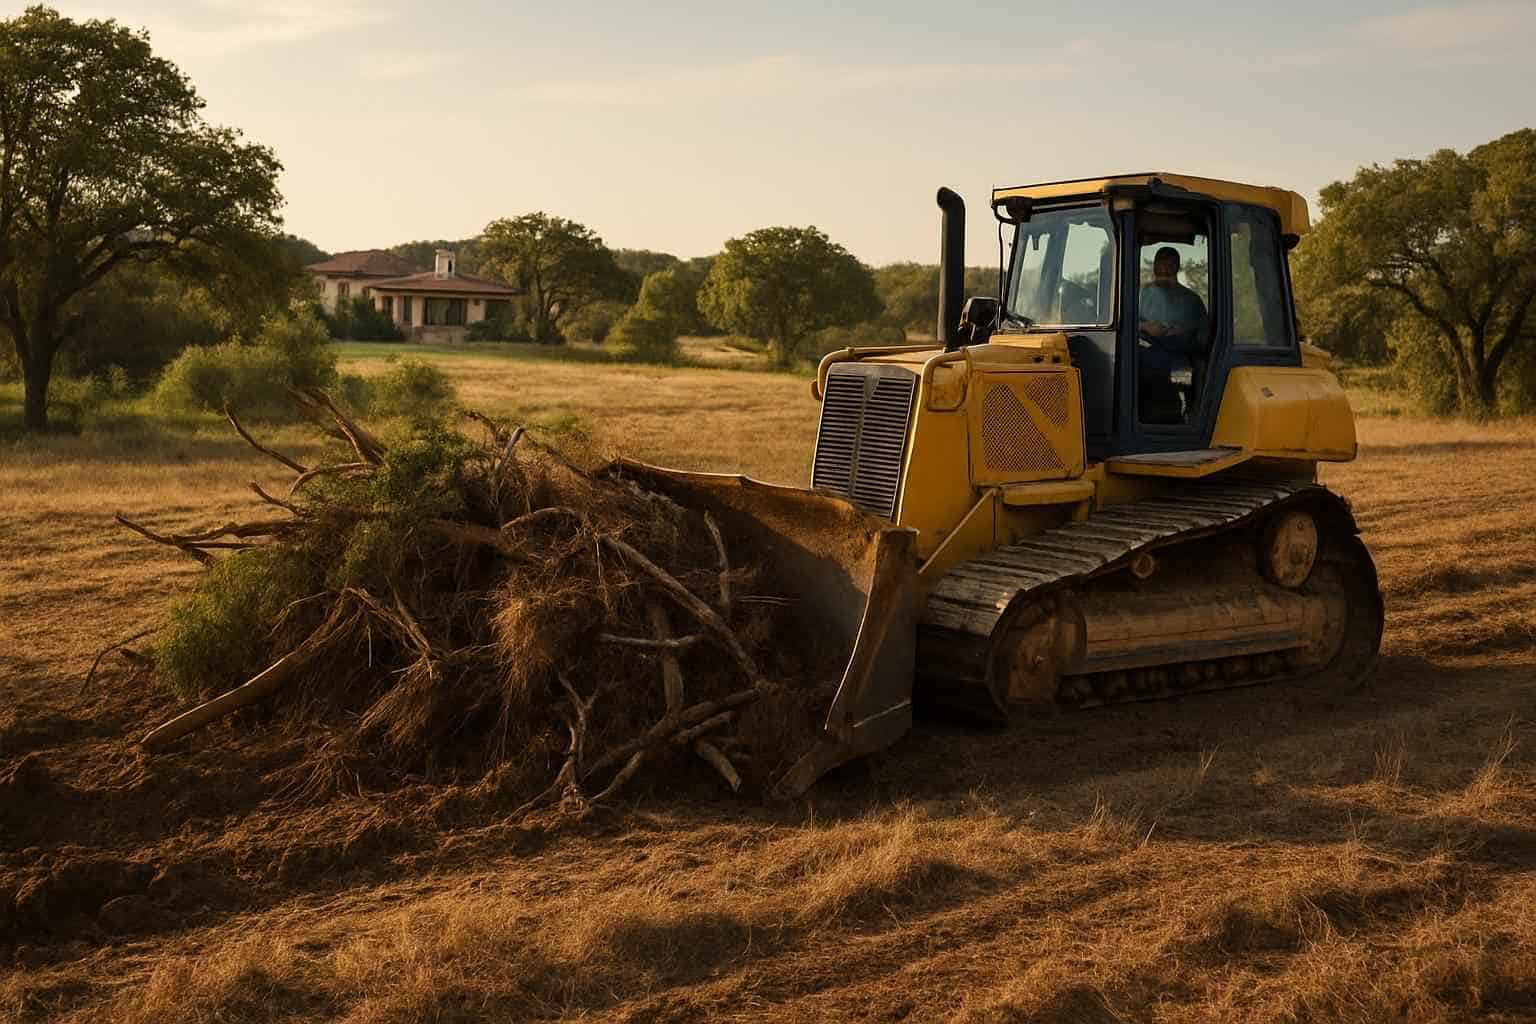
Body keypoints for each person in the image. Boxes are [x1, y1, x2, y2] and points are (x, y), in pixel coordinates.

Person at [1137, 246, 1210, 422]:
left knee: (1183, 381)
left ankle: (1185, 413)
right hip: (1144, 358)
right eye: (1160, 264)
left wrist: (1178, 332)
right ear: (1154, 267)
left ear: (1177, 267)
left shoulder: (1191, 300)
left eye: (1169, 265)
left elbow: (1203, 338)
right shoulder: (1139, 295)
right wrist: (1145, 326)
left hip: (1179, 361)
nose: (1163, 269)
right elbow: (1124, 323)